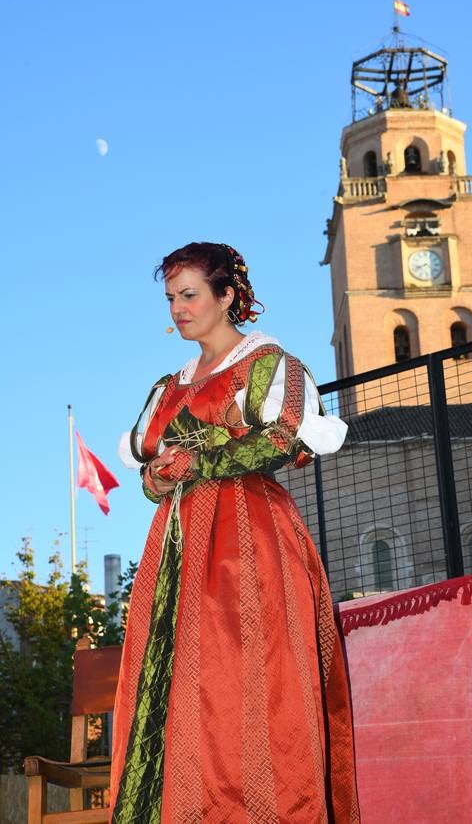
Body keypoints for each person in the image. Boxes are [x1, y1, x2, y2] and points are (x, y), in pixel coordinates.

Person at [110, 242, 361, 823]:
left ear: (226, 296)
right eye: (171, 297)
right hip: (175, 544)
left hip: (249, 537)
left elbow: (287, 435)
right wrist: (162, 474)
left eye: (189, 294)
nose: (177, 308)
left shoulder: (267, 363)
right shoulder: (168, 385)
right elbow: (148, 469)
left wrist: (194, 461)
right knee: (178, 680)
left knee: (247, 675)